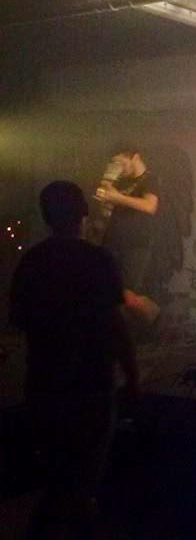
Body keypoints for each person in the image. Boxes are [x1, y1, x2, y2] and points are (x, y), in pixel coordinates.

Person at [10, 180, 139, 539]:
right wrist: (132, 375)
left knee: (57, 481)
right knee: (83, 481)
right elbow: (115, 325)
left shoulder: (31, 261)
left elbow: (19, 321)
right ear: (82, 212)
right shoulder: (98, 260)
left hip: (45, 386)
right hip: (91, 386)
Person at [94, 143, 159, 295]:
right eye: (115, 164)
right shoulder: (121, 180)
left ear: (135, 157)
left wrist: (118, 198)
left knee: (127, 292)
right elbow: (107, 208)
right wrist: (105, 200)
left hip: (135, 245)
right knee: (105, 287)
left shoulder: (150, 179)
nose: (119, 168)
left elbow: (150, 206)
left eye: (121, 163)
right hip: (112, 242)